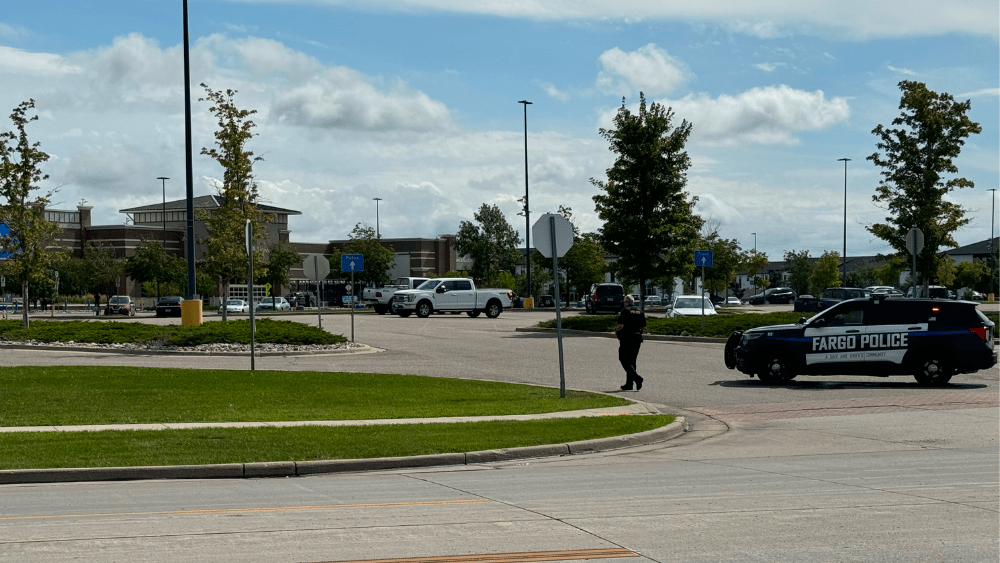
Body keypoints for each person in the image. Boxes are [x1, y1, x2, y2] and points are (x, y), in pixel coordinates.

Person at [615, 294, 647, 391]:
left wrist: (616, 331)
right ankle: (629, 384)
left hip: (627, 338)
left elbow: (620, 325)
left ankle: (637, 378)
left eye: (624, 302)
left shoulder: (625, 311)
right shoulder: (639, 311)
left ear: (626, 302)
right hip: (637, 338)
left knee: (623, 358)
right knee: (632, 361)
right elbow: (643, 325)